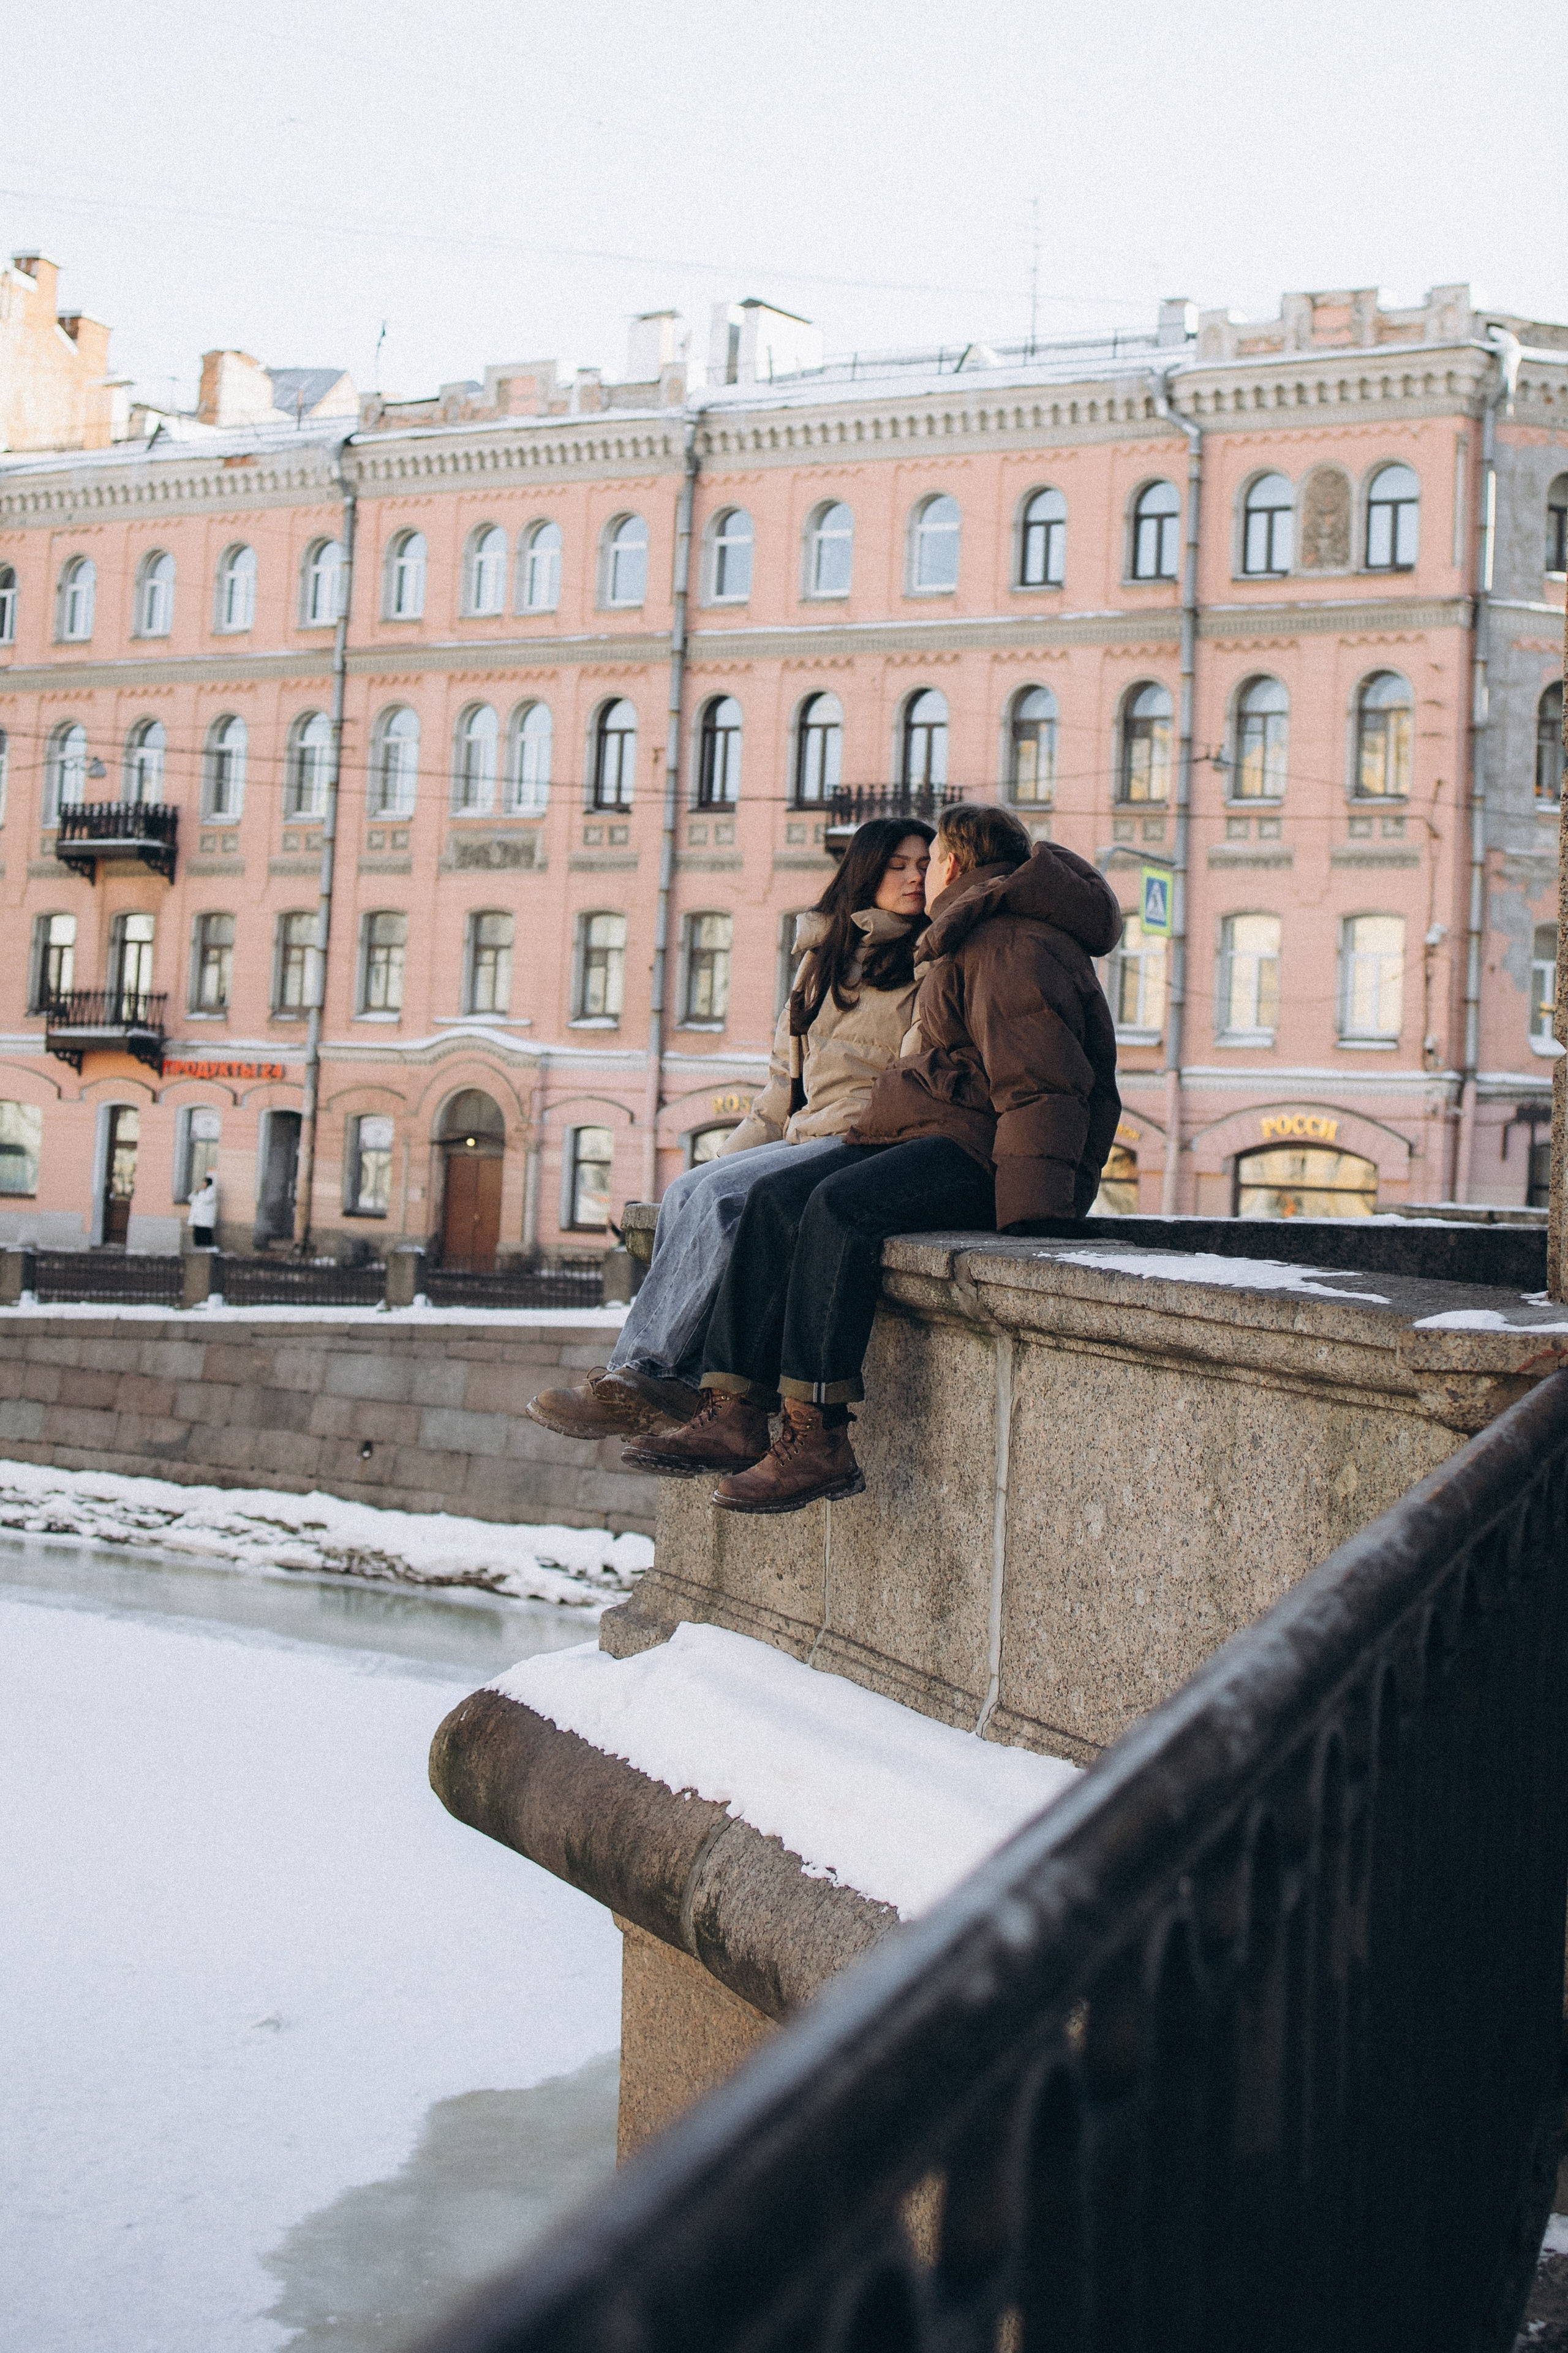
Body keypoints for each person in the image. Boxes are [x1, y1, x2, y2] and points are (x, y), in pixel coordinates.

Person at [623, 802, 1123, 1511]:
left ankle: (816, 1435)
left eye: (931, 858)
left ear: (955, 861)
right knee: (774, 1200)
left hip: (982, 1154)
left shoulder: (1009, 940)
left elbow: (1042, 1086)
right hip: (938, 1133)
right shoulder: (973, 930)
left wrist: (1034, 1217)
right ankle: (734, 1412)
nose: (923, 874)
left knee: (838, 1208)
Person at [525, 818, 935, 1442]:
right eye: (898, 865)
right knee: (689, 1191)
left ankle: (661, 1375)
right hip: (804, 1131)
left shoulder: (927, 963)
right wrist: (725, 1159)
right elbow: (780, 1087)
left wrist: (737, 1177)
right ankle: (631, 1377)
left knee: (722, 1200)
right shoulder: (819, 961)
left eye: (924, 865)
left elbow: (910, 1078)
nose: (915, 877)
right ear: (865, 871)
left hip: (858, 1140)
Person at [187, 1171, 219, 1251]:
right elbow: (190, 1199)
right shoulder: (200, 1192)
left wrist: (200, 1192)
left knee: (205, 1236)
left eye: (204, 1183)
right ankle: (198, 1251)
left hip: (205, 1220)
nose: (203, 1185)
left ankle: (207, 1252)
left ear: (208, 1183)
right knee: (197, 1236)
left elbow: (207, 1200)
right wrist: (196, 1192)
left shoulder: (211, 1191)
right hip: (198, 1219)